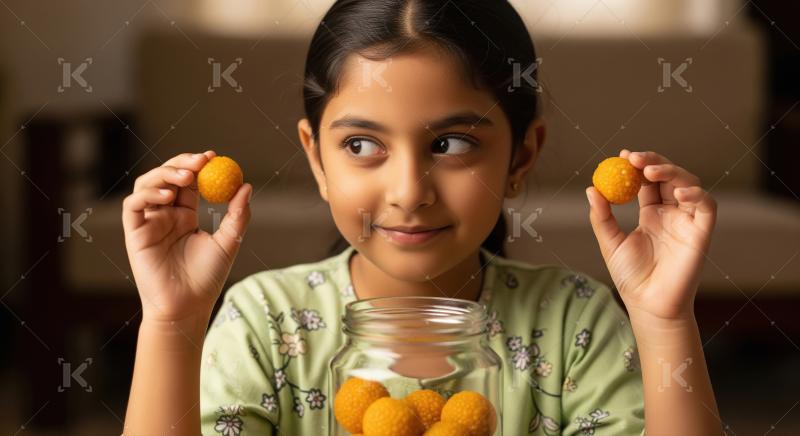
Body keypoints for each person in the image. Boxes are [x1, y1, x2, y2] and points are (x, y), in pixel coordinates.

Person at [122, 1, 722, 435]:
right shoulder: (265, 324)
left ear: (522, 157)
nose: (409, 193)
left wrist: (664, 321)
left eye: (452, 144)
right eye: (361, 145)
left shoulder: (573, 325)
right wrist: (172, 321)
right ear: (317, 158)